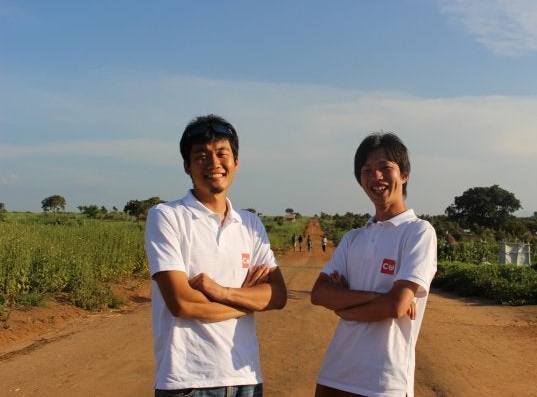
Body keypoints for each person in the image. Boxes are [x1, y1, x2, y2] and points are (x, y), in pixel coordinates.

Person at [145, 114, 288, 396]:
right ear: (186, 166)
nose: (213, 164)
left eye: (222, 153)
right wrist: (248, 301)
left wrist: (220, 291)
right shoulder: (167, 217)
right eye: (201, 155)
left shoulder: (250, 224)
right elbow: (182, 304)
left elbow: (278, 295)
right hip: (188, 382)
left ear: (235, 162)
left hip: (246, 378)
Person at [311, 132, 437, 396]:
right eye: (367, 170)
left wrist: (345, 306)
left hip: (385, 382)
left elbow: (395, 305)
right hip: (335, 375)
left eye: (385, 168)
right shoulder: (353, 238)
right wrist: (380, 298)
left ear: (404, 175)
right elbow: (320, 293)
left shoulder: (418, 232)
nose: (376, 176)